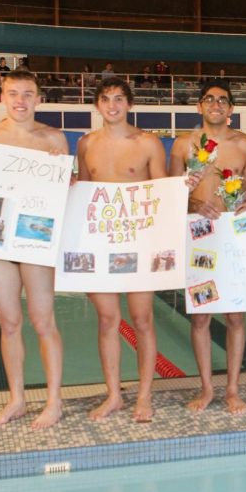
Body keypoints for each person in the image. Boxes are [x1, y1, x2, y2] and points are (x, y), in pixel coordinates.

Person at [0, 71, 68, 429]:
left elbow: (61, 195)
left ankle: (54, 401)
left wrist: (64, 171)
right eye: (13, 93)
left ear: (39, 99)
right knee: (9, 323)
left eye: (28, 94)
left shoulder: (52, 139)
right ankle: (17, 399)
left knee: (43, 321)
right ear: (1, 97)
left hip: (34, 239)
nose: (20, 100)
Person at [77, 77, 168, 422]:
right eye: (105, 99)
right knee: (107, 320)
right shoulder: (86, 144)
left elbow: (161, 192)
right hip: (100, 242)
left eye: (118, 99)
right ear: (97, 105)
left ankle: (144, 395)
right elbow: (84, 192)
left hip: (139, 242)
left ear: (129, 104)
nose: (112, 105)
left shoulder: (147, 143)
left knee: (142, 320)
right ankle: (113, 394)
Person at [168, 80, 246, 414]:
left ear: (231, 109)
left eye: (223, 100)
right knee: (202, 317)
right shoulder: (182, 145)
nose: (216, 104)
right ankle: (207, 388)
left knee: (235, 315)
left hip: (233, 235)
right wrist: (192, 204)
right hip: (199, 236)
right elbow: (169, 192)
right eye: (209, 99)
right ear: (200, 106)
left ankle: (233, 389)